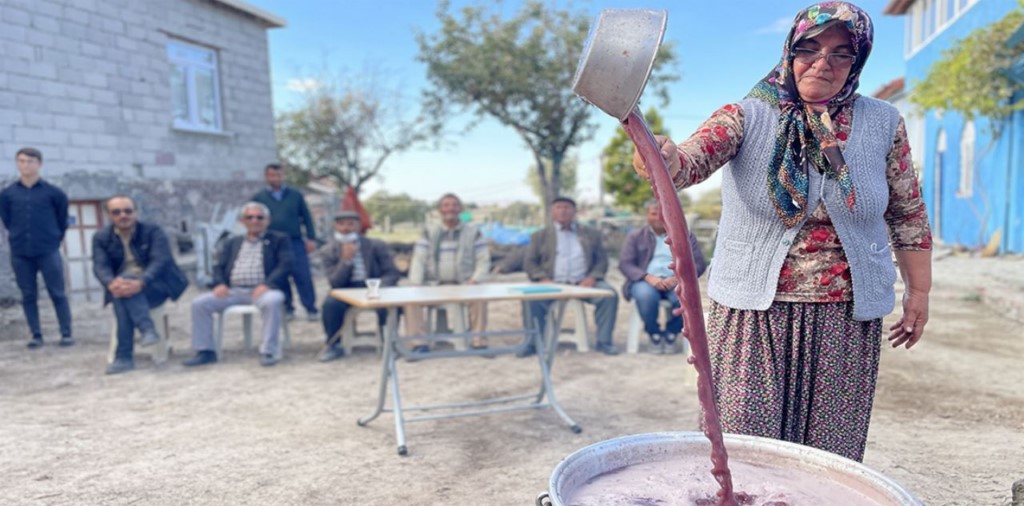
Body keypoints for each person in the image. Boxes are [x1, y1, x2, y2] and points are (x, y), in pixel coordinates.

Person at [632, 2, 932, 462]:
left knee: (828, 458)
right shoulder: (746, 115)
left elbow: (908, 211)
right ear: (789, 52)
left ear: (859, 60)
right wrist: (663, 158)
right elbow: (689, 161)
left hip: (846, 320)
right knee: (743, 449)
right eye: (809, 49)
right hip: (752, 315)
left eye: (841, 53)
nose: (822, 64)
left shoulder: (884, 123)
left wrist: (919, 292)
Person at [182, 202, 293, 368]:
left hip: (264, 290)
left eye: (259, 217)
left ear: (267, 221)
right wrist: (219, 284)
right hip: (233, 291)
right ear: (242, 221)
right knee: (200, 303)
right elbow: (218, 266)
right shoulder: (232, 242)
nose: (255, 221)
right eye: (250, 217)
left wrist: (267, 284)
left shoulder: (279, 240)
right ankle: (205, 351)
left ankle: (269, 351)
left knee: (272, 301)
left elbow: (286, 264)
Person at [92, 195, 189, 374]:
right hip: (123, 286)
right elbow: (100, 265)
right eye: (117, 212)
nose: (123, 215)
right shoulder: (101, 237)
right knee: (123, 291)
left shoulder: (153, 232)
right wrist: (110, 283)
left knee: (124, 291)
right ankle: (147, 329)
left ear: (136, 212)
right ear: (108, 215)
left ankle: (124, 357)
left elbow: (161, 261)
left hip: (157, 285)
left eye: (128, 211)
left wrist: (141, 282)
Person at [523, 196, 619, 356]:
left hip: (583, 282)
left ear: (574, 211)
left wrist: (592, 278)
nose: (563, 211)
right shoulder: (540, 236)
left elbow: (602, 261)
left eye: (567, 207)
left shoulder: (591, 234)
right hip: (552, 284)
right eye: (558, 207)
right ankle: (532, 343)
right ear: (552, 211)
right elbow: (530, 263)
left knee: (609, 295)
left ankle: (604, 342)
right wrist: (543, 279)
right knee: (531, 300)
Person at [0, 147, 73, 348]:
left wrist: (53, 239)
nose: (26, 165)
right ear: (17, 164)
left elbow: (62, 220)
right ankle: (36, 335)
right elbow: (7, 220)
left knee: (57, 292)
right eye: (21, 161)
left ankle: (66, 333)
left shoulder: (54, 193)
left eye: (30, 161)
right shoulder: (7, 194)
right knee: (28, 295)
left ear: (39, 164)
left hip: (48, 250)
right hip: (21, 252)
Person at [404, 193, 491, 352]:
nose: (450, 208)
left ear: (461, 209)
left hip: (464, 283)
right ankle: (419, 343)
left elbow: (483, 259)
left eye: (454, 205)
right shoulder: (428, 232)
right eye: (446, 205)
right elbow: (419, 259)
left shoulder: (473, 232)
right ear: (439, 210)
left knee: (480, 298)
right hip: (433, 284)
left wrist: (475, 280)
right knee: (411, 300)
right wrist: (416, 283)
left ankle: (479, 342)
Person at [619, 199, 707, 354]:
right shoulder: (636, 236)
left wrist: (677, 278)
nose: (659, 217)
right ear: (647, 215)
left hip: (676, 281)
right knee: (646, 296)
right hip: (645, 281)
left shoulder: (685, 235)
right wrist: (647, 277)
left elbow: (698, 264)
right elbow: (626, 263)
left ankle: (671, 333)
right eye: (654, 213)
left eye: (663, 213)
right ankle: (654, 333)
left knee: (684, 298)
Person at [316, 210, 400, 362]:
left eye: (350, 224)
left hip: (374, 285)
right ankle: (333, 344)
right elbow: (335, 283)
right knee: (330, 304)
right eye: (342, 224)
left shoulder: (376, 245)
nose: (346, 228)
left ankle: (389, 342)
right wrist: (346, 260)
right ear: (336, 227)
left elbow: (392, 272)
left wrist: (379, 287)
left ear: (358, 226)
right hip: (346, 288)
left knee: (390, 304)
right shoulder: (328, 250)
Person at [252, 163, 318, 322]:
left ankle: (311, 309)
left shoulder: (295, 195)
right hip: (271, 243)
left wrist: (311, 238)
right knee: (279, 275)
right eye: (272, 175)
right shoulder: (259, 198)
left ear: (283, 176)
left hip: (294, 241)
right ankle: (288, 308)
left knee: (302, 274)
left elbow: (307, 217)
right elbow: (254, 219)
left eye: (279, 175)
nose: (276, 178)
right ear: (266, 176)